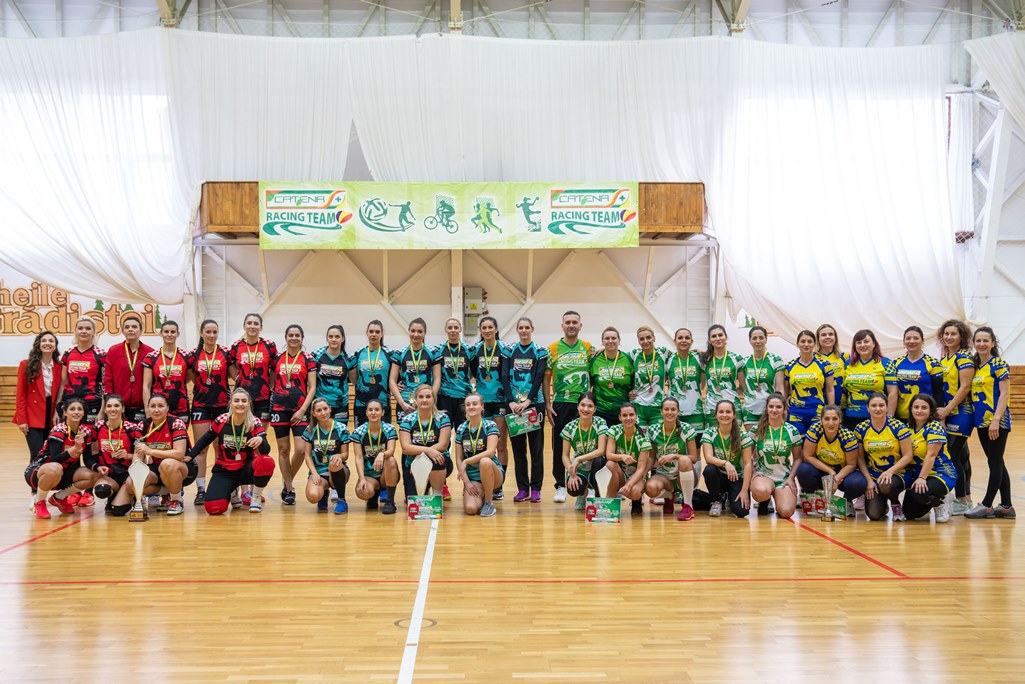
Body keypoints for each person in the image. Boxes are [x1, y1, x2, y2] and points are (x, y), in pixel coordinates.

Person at [188, 388, 275, 515]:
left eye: (244, 401)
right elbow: (205, 440)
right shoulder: (221, 420)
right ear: (231, 403)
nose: (240, 404)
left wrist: (261, 440)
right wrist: (190, 456)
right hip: (225, 471)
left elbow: (266, 450)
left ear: (249, 404)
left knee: (266, 461)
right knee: (214, 508)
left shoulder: (254, 422)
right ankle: (232, 491)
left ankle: (255, 497)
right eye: (237, 401)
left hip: (246, 469)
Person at [965, 327, 1014, 519]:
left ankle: (986, 505)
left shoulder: (999, 364)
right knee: (997, 462)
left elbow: (1004, 394)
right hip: (982, 422)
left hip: (996, 422)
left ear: (993, 343)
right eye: (978, 341)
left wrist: (996, 420)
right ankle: (1007, 506)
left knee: (994, 462)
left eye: (986, 340)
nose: (982, 344)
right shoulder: (977, 366)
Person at [544, 311, 593, 503]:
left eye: (575, 322)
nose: (571, 325)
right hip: (561, 402)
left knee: (588, 443)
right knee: (559, 444)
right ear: (562, 326)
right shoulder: (553, 348)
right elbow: (547, 377)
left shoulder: (589, 348)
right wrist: (548, 403)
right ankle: (560, 485)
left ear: (580, 326)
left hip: (583, 404)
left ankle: (589, 484)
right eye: (568, 322)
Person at [270, 324, 318, 506]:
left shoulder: (308, 359)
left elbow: (312, 387)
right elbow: (272, 381)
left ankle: (286, 479)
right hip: (279, 409)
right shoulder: (277, 359)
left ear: (302, 338)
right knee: (283, 450)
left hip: (300, 408)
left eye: (297, 335)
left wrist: (302, 410)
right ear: (285, 337)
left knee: (300, 449)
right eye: (290, 335)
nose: (294, 338)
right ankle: (289, 489)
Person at [502, 317, 548, 503]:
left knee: (536, 449)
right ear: (517, 330)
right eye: (520, 328)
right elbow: (504, 376)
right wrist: (512, 402)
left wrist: (528, 401)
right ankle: (522, 488)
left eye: (527, 327)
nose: (523, 330)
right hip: (514, 406)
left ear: (532, 329)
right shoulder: (508, 351)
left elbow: (538, 377)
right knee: (518, 449)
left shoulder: (540, 351)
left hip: (534, 404)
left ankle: (536, 488)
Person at [186, 319, 231, 506]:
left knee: (221, 448)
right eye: (208, 332)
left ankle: (226, 486)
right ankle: (201, 489)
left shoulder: (226, 354)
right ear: (201, 333)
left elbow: (235, 375)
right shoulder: (193, 355)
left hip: (222, 405)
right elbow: (190, 378)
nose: (211, 335)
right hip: (201, 405)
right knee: (201, 448)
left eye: (214, 332)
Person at [25, 397, 94, 519]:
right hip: (39, 472)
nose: (76, 412)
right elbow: (54, 459)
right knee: (55, 468)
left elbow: (88, 459)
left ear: (84, 413)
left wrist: (98, 467)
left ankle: (59, 498)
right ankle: (39, 502)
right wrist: (74, 449)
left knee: (92, 475)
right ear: (65, 413)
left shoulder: (85, 432)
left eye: (79, 409)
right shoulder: (59, 430)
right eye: (72, 409)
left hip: (62, 473)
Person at [126, 394, 192, 517]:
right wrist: (136, 470)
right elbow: (138, 454)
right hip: (157, 467)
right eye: (153, 406)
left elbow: (179, 453)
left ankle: (176, 500)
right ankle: (166, 491)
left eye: (160, 406)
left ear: (167, 408)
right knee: (130, 484)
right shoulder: (143, 425)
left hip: (181, 466)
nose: (156, 410)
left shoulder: (176, 423)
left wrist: (150, 451)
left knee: (167, 464)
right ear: (148, 409)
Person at [935, 319, 976, 514]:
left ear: (962, 336)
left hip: (961, 413)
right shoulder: (944, 359)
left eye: (953, 334)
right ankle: (966, 497)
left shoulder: (964, 358)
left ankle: (961, 498)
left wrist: (948, 409)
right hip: (948, 414)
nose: (949, 337)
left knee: (953, 453)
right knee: (962, 455)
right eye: (946, 334)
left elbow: (965, 387)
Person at [795, 406, 867, 513]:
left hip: (842, 474)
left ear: (840, 420)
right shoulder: (815, 430)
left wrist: (836, 478)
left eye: (834, 419)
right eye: (827, 419)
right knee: (803, 469)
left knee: (858, 482)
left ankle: (847, 503)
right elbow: (807, 456)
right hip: (822, 471)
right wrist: (830, 472)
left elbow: (851, 464)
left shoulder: (848, 436)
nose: (831, 423)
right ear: (821, 420)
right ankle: (811, 497)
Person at [854, 393, 914, 522]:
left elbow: (908, 455)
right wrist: (869, 480)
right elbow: (860, 459)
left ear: (887, 407)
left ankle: (895, 503)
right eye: (874, 405)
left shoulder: (898, 427)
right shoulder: (861, 428)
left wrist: (890, 472)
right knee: (874, 515)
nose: (878, 409)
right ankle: (883, 504)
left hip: (898, 474)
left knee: (885, 484)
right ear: (868, 408)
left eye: (881, 405)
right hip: (874, 475)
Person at [79, 394, 142, 515]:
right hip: (109, 475)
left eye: (117, 406)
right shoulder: (98, 427)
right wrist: (97, 467)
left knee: (118, 511)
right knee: (102, 490)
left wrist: (128, 456)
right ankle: (113, 496)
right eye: (109, 406)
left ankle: (130, 496)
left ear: (122, 409)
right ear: (105, 409)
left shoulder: (132, 428)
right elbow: (89, 456)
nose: (113, 409)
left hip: (127, 475)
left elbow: (142, 456)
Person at [15, 331, 62, 488]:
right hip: (33, 414)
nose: (47, 343)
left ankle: (48, 486)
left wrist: (58, 412)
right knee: (36, 454)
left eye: (51, 341)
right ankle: (35, 491)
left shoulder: (59, 367)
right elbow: (21, 395)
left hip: (52, 413)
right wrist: (22, 420)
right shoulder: (26, 364)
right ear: (38, 344)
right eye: (44, 341)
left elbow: (61, 392)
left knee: (51, 453)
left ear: (55, 346)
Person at [695, 399, 754, 518]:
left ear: (734, 415)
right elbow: (708, 458)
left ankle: (724, 498)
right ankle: (716, 501)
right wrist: (726, 463)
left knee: (741, 511)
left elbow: (748, 464)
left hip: (736, 477)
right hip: (719, 477)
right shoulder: (710, 432)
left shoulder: (743, 436)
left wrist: (744, 490)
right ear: (716, 415)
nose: (724, 415)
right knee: (710, 469)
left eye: (728, 412)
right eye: (721, 412)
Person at [904, 394, 958, 522]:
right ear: (911, 409)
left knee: (919, 493)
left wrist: (922, 478)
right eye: (916, 407)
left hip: (940, 473)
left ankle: (941, 502)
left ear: (931, 410)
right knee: (910, 513)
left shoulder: (935, 427)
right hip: (918, 475)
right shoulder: (907, 428)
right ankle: (932, 498)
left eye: (924, 407)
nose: (919, 410)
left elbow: (931, 455)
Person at [644, 397, 700, 520]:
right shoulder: (653, 430)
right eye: (666, 409)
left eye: (673, 409)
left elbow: (694, 458)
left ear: (678, 412)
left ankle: (688, 506)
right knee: (650, 488)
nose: (670, 412)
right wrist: (642, 474)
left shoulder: (687, 429)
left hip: (683, 474)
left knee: (685, 460)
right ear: (661, 411)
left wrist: (674, 456)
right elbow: (652, 457)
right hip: (664, 476)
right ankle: (669, 497)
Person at [472, 316, 509, 500]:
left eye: (490, 327)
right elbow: (468, 370)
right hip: (483, 402)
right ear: (480, 329)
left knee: (501, 443)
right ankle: (484, 480)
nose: (487, 330)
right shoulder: (475, 351)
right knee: (485, 444)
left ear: (496, 329)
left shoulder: (505, 350)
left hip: (501, 401)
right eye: (484, 327)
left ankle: (499, 486)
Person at [748, 394, 802, 519]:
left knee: (786, 512)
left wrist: (791, 478)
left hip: (783, 477)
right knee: (762, 491)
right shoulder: (757, 430)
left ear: (784, 410)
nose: (774, 410)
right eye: (771, 406)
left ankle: (778, 497)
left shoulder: (792, 430)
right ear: (766, 408)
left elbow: (798, 458)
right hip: (763, 475)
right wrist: (753, 472)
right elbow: (746, 456)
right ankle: (764, 500)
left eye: (778, 407)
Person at [398, 384, 453, 500]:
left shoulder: (442, 418)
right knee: (413, 500)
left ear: (434, 399)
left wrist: (427, 454)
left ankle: (437, 495)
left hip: (438, 460)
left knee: (437, 458)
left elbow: (443, 445)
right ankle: (424, 488)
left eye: (428, 397)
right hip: (413, 461)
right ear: (415, 400)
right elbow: (406, 447)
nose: (424, 400)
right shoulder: (408, 419)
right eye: (421, 397)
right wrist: (427, 451)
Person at [453, 393, 504, 517]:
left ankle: (489, 503)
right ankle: (480, 493)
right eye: (468, 404)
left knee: (485, 461)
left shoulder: (490, 425)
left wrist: (467, 461)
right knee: (471, 509)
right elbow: (459, 458)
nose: (471, 407)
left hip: (493, 473)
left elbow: (490, 452)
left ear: (482, 407)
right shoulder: (461, 429)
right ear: (465, 408)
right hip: (473, 477)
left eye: (475, 404)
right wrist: (467, 483)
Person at [561, 392, 612, 510]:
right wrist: (571, 473)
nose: (585, 409)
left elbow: (601, 450)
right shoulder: (570, 427)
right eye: (582, 405)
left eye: (590, 406)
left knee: (600, 460)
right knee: (573, 488)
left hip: (596, 465)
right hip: (580, 469)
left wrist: (578, 459)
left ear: (595, 409)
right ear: (578, 406)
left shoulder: (600, 423)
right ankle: (582, 494)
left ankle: (599, 496)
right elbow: (564, 455)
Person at [55, 316, 106, 434]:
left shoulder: (101, 354)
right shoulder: (68, 353)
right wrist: (56, 410)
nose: (84, 331)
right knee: (69, 439)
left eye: (88, 328)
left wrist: (102, 411)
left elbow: (105, 385)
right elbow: (62, 383)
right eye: (80, 328)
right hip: (70, 403)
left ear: (93, 332)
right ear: (76, 331)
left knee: (91, 443)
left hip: (92, 403)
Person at [300, 398, 351, 514]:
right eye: (319, 410)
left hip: (338, 470)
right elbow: (307, 456)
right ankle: (323, 493)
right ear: (314, 414)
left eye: (325, 409)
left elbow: (345, 454)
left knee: (334, 463)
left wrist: (339, 456)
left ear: (330, 409)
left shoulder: (341, 428)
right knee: (312, 496)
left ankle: (342, 500)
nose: (323, 413)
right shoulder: (310, 430)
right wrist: (314, 473)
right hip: (319, 471)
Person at [351, 398, 400, 514]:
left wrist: (382, 454)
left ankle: (390, 501)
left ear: (382, 412)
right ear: (366, 413)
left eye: (377, 410)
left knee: (391, 460)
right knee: (362, 492)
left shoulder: (389, 429)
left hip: (385, 473)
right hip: (369, 474)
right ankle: (373, 495)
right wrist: (362, 479)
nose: (373, 412)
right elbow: (358, 457)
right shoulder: (358, 432)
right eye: (370, 410)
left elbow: (391, 450)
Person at [102, 313, 153, 422]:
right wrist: (111, 403)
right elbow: (108, 380)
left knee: (139, 438)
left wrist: (149, 407)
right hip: (119, 407)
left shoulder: (150, 352)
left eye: (134, 327)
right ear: (122, 331)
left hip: (141, 407)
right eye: (127, 327)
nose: (130, 330)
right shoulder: (113, 351)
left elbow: (152, 383)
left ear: (141, 330)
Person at [842, 329, 897, 429]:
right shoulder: (847, 363)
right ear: (855, 346)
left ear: (874, 344)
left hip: (878, 416)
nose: (862, 345)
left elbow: (893, 392)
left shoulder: (886, 363)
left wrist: (890, 417)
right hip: (852, 416)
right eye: (859, 342)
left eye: (866, 341)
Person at [784, 330, 835, 436]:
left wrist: (831, 410)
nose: (806, 344)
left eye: (809, 341)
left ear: (815, 344)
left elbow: (830, 390)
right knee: (797, 447)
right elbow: (786, 391)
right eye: (803, 341)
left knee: (815, 447)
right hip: (796, 413)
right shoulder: (789, 365)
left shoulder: (825, 364)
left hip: (817, 412)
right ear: (797, 344)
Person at [229, 313, 278, 422]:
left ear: (261, 327)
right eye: (249, 323)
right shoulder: (236, 346)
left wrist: (270, 385)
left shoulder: (270, 345)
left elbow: (274, 367)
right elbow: (230, 364)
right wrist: (237, 378)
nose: (252, 326)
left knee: (260, 433)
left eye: (256, 323)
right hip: (242, 396)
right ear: (244, 326)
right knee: (243, 430)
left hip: (263, 396)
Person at [890, 326, 944, 421]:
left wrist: (939, 419)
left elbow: (938, 393)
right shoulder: (895, 363)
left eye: (916, 338)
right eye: (908, 338)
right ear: (903, 342)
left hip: (924, 418)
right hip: (900, 417)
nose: (911, 341)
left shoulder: (933, 363)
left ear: (922, 342)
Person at [390, 317, 441, 420]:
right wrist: (402, 403)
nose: (416, 334)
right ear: (408, 331)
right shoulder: (399, 353)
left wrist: (430, 399)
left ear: (425, 333)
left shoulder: (434, 352)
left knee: (425, 433)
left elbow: (437, 379)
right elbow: (392, 380)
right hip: (405, 401)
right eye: (413, 331)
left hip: (425, 401)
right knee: (405, 433)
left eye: (420, 331)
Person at [608, 403, 653, 516]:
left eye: (631, 415)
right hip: (621, 475)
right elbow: (609, 455)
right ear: (619, 417)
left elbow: (641, 468)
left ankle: (636, 502)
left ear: (636, 416)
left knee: (634, 492)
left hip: (636, 476)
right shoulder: (614, 430)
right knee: (610, 464)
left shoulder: (643, 438)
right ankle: (612, 504)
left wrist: (629, 485)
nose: (628, 418)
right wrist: (621, 456)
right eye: (624, 415)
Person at [142, 320, 190, 423]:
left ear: (178, 334)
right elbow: (146, 385)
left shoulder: (186, 356)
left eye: (172, 332)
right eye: (166, 332)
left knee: (180, 436)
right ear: (161, 333)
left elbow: (189, 379)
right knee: (160, 437)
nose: (169, 334)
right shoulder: (151, 357)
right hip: (158, 407)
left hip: (180, 405)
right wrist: (147, 409)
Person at [589, 326, 634, 426]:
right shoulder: (595, 360)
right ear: (602, 341)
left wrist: (633, 392)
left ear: (619, 340)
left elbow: (634, 383)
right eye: (607, 338)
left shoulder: (628, 359)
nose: (610, 341)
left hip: (623, 413)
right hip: (601, 411)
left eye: (613, 338)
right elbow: (589, 384)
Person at [741, 326, 784, 428]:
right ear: (750, 340)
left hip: (770, 410)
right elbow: (743, 387)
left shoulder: (776, 360)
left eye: (761, 338)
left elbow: (780, 387)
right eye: (754, 338)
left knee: (768, 442)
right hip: (750, 409)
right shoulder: (744, 361)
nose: (758, 341)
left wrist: (782, 407)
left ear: (766, 339)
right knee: (751, 443)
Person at [352, 320, 393, 426]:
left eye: (377, 332)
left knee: (382, 438)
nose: (374, 334)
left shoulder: (390, 354)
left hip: (382, 404)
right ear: (367, 333)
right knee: (360, 437)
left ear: (382, 334)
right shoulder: (358, 354)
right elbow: (354, 379)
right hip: (361, 404)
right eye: (371, 331)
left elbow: (395, 377)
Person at [700, 325, 744, 424]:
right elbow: (702, 385)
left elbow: (742, 387)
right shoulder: (704, 360)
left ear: (726, 337)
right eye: (714, 336)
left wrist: (729, 393)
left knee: (734, 438)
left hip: (733, 407)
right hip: (712, 408)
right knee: (713, 438)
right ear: (709, 340)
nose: (718, 338)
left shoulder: (737, 359)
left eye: (720, 335)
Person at [435, 318, 474, 427]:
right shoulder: (438, 350)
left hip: (463, 395)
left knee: (463, 430)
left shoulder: (469, 349)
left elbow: (475, 371)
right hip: (444, 396)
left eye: (456, 327)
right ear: (445, 330)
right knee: (444, 430)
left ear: (460, 329)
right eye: (450, 328)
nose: (453, 330)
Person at [666, 327, 706, 432]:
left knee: (696, 447)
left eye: (687, 338)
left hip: (695, 411)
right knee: (677, 446)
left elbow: (703, 383)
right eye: (680, 338)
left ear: (691, 341)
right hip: (674, 412)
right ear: (674, 341)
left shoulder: (699, 358)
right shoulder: (668, 359)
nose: (684, 340)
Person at [629, 326, 670, 428]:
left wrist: (698, 351)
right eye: (641, 339)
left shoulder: (664, 352)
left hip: (657, 407)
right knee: (640, 440)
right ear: (638, 341)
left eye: (648, 337)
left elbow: (681, 356)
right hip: (639, 405)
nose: (645, 341)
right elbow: (617, 357)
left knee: (657, 440)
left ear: (654, 338)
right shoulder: (634, 354)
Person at [312, 324, 352, 425]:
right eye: (331, 337)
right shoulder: (316, 355)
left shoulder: (349, 358)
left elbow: (356, 380)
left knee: (339, 437)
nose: (334, 339)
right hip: (320, 405)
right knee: (319, 437)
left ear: (342, 339)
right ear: (327, 338)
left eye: (337, 337)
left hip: (340, 405)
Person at [814, 324, 848, 405]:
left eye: (831, 334)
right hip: (820, 406)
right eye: (823, 335)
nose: (827, 337)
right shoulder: (812, 358)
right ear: (818, 339)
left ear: (835, 338)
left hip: (842, 405)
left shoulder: (845, 357)